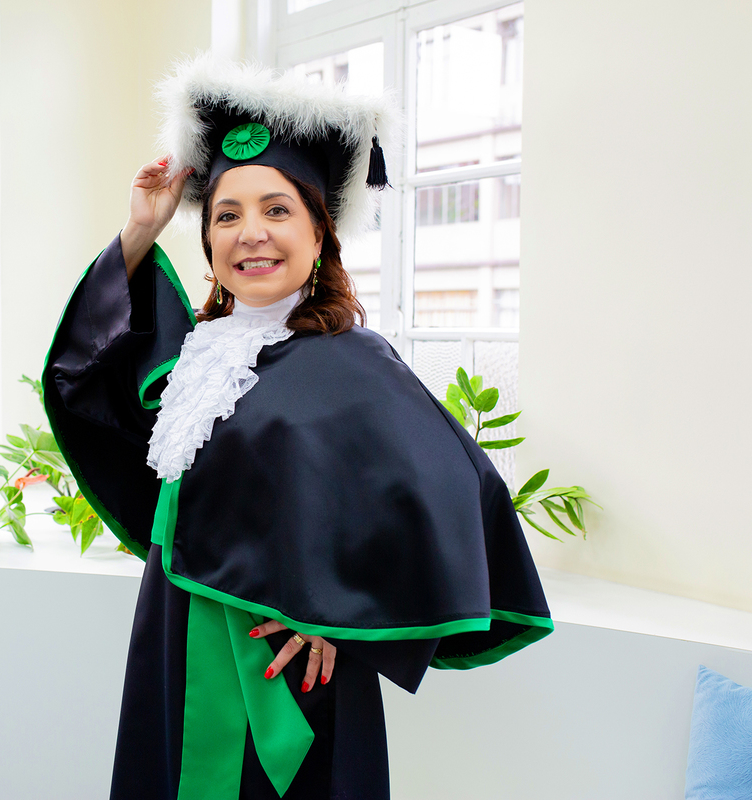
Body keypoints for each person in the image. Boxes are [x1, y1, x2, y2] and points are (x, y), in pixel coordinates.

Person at [42, 56, 552, 800]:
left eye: (277, 210)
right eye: (227, 214)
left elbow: (455, 486)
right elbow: (88, 381)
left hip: (288, 683)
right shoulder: (199, 359)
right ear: (210, 241)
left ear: (321, 233)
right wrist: (140, 228)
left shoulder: (352, 362)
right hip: (175, 642)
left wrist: (337, 617)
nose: (252, 234)